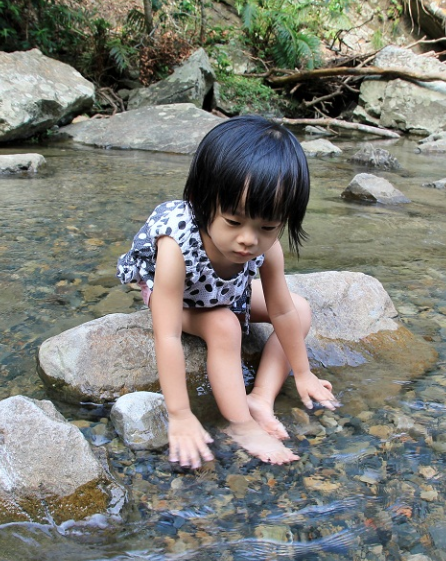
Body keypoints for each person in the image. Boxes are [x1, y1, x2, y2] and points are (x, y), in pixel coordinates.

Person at [117, 116, 338, 468]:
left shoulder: (266, 245)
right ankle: (240, 425)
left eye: (267, 226)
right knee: (224, 326)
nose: (249, 239)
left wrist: (304, 371)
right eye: (234, 222)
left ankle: (261, 399)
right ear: (201, 203)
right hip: (174, 294)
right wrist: (180, 413)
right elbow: (169, 334)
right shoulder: (176, 243)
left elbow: (281, 311)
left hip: (225, 288)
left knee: (300, 309)